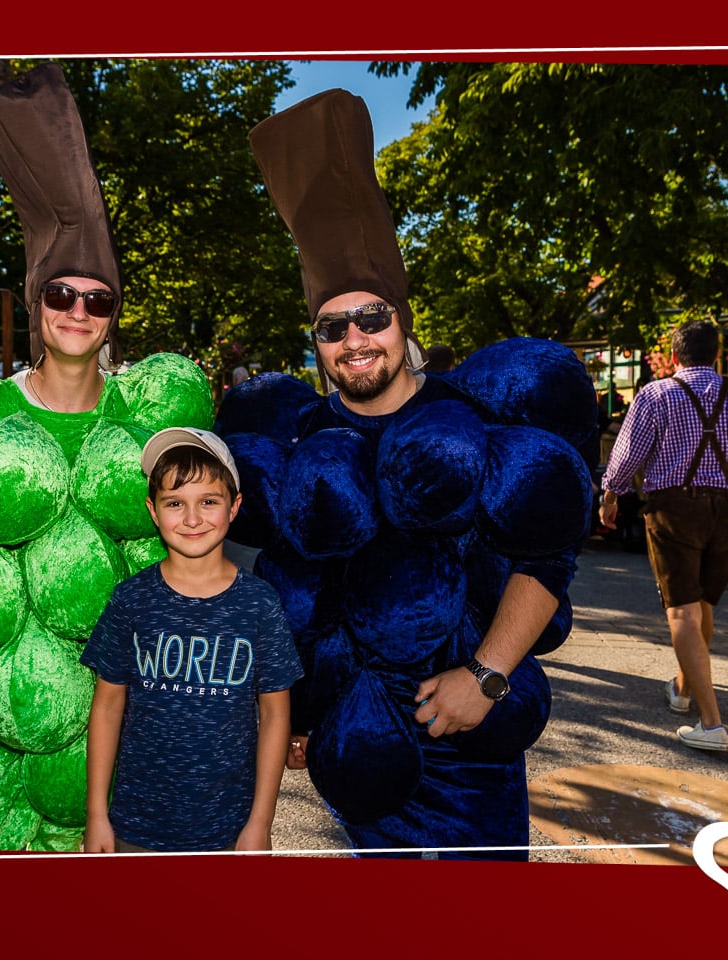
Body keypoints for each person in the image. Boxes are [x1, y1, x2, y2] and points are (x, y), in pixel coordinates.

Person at [218, 89, 596, 859]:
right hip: (360, 755)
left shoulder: (470, 416)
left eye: (373, 317)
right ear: (316, 341)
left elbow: (548, 557)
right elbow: (300, 586)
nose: (355, 339)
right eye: (333, 326)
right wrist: (301, 712)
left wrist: (486, 677)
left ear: (404, 319)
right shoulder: (305, 438)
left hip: (472, 752)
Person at [0, 63, 214, 851]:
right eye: (61, 294)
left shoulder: (142, 426)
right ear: (37, 300)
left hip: (108, 712)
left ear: (113, 315)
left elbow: (185, 556)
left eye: (97, 299)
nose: (78, 310)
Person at [82, 428, 301, 853]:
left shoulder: (260, 604)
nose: (192, 518)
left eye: (209, 502)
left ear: (234, 506)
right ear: (153, 510)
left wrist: (261, 822)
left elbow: (275, 715)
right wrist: (96, 815)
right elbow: (107, 706)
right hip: (136, 826)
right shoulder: (131, 599)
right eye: (175, 503)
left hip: (229, 831)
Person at [599, 320, 728, 752]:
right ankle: (682, 688)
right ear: (717, 354)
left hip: (674, 509)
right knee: (703, 602)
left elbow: (627, 455)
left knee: (682, 611)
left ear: (674, 356)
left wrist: (610, 496)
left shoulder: (655, 395)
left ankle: (711, 723)